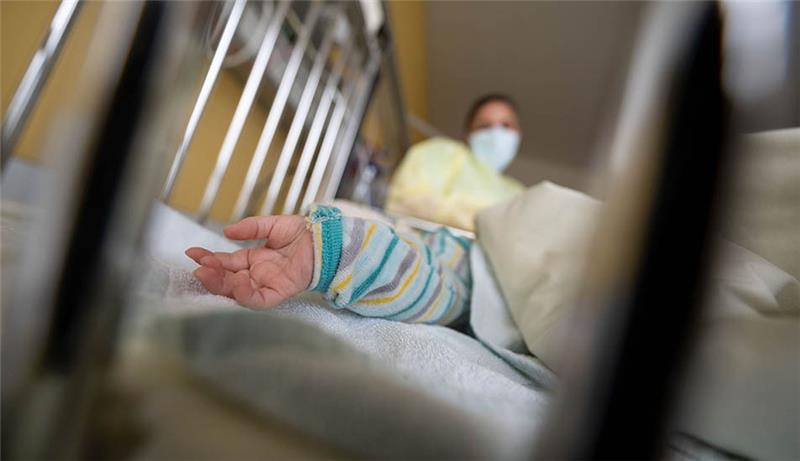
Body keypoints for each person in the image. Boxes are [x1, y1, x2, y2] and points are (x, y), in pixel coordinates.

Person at [186, 204, 471, 325]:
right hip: (423, 237)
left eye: (506, 125)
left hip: (466, 268)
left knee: (438, 291)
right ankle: (334, 245)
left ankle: (341, 248)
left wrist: (336, 250)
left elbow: (447, 297)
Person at [385, 94, 525, 231]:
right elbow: (403, 201)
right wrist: (483, 221)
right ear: (468, 135)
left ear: (518, 133)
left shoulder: (519, 193)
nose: (496, 134)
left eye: (506, 125)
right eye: (485, 126)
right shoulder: (442, 154)